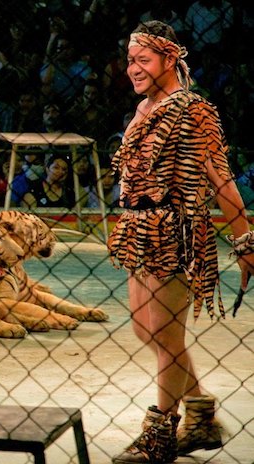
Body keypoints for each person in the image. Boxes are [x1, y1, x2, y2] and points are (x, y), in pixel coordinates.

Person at [108, 21, 254, 463]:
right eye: (131, 60)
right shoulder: (145, 108)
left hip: (173, 232)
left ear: (170, 60)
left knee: (167, 336)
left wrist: (245, 240)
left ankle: (159, 432)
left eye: (143, 60)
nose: (133, 69)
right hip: (139, 229)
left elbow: (221, 179)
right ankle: (202, 413)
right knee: (143, 328)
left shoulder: (192, 109)